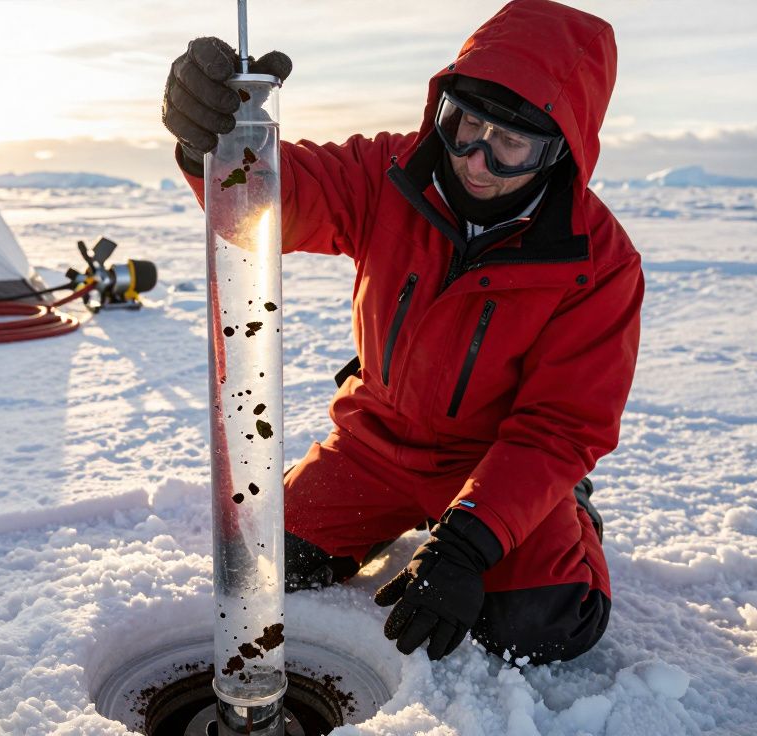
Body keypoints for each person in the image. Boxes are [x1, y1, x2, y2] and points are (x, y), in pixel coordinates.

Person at [163, 0, 642, 664]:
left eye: (509, 145)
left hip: (495, 458)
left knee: (539, 624)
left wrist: (470, 541)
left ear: (562, 147)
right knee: (268, 560)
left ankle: (570, 510)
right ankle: (405, 515)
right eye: (465, 124)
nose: (475, 159)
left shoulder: (599, 262)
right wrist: (210, 142)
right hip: (375, 444)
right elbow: (281, 195)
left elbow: (561, 424)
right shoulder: (388, 172)